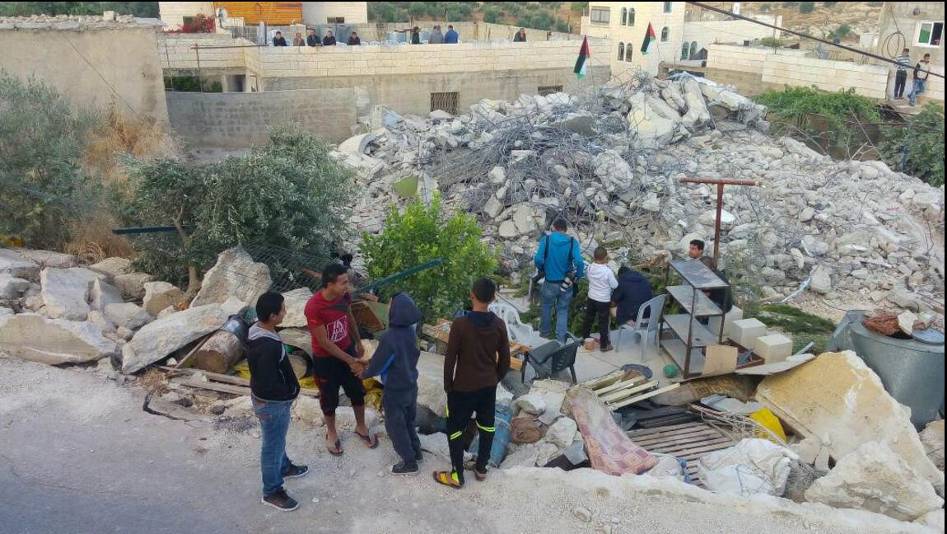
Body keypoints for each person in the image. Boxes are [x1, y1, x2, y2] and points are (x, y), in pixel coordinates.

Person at [434, 278, 511, 488]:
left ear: (471, 295)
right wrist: (495, 378)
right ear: (493, 298)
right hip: (487, 387)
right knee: (486, 427)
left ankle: (457, 475)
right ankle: (481, 468)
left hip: (463, 388)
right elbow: (505, 359)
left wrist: (448, 386)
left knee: (456, 429)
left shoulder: (461, 325)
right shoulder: (498, 324)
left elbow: (450, 359)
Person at [305, 263, 376, 456]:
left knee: (357, 391)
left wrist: (358, 342)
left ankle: (361, 427)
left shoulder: (343, 297)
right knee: (329, 398)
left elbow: (349, 317)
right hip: (325, 359)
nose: (348, 286)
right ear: (329, 284)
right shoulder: (313, 306)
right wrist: (350, 360)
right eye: (343, 282)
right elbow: (324, 342)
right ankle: (332, 433)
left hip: (347, 350)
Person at [248, 292, 307, 512]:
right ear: (272, 316)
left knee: (276, 439)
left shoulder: (258, 329)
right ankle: (272, 491)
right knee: (271, 446)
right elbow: (268, 382)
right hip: (272, 403)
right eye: (282, 310)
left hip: (270, 401)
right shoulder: (267, 347)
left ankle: (283, 467)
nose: (285, 312)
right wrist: (288, 393)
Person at [362, 293, 424, 476]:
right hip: (411, 386)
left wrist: (364, 373)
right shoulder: (411, 332)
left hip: (395, 390)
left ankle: (409, 462)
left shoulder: (390, 337)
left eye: (390, 304)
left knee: (395, 426)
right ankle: (416, 451)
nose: (388, 307)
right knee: (408, 422)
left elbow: (379, 365)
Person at [534, 218, 585, 342]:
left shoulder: (546, 240)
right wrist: (578, 276)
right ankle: (560, 340)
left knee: (546, 307)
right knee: (563, 310)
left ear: (554, 227)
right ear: (565, 229)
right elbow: (579, 262)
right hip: (566, 283)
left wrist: (542, 269)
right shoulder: (573, 242)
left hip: (549, 282)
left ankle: (544, 336)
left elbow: (538, 259)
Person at [580, 247, 618, 352]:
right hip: (603, 300)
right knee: (603, 322)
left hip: (591, 297)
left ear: (594, 257)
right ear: (605, 257)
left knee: (588, 319)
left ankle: (585, 338)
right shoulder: (607, 271)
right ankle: (604, 345)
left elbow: (588, 277)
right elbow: (614, 285)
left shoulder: (590, 268)